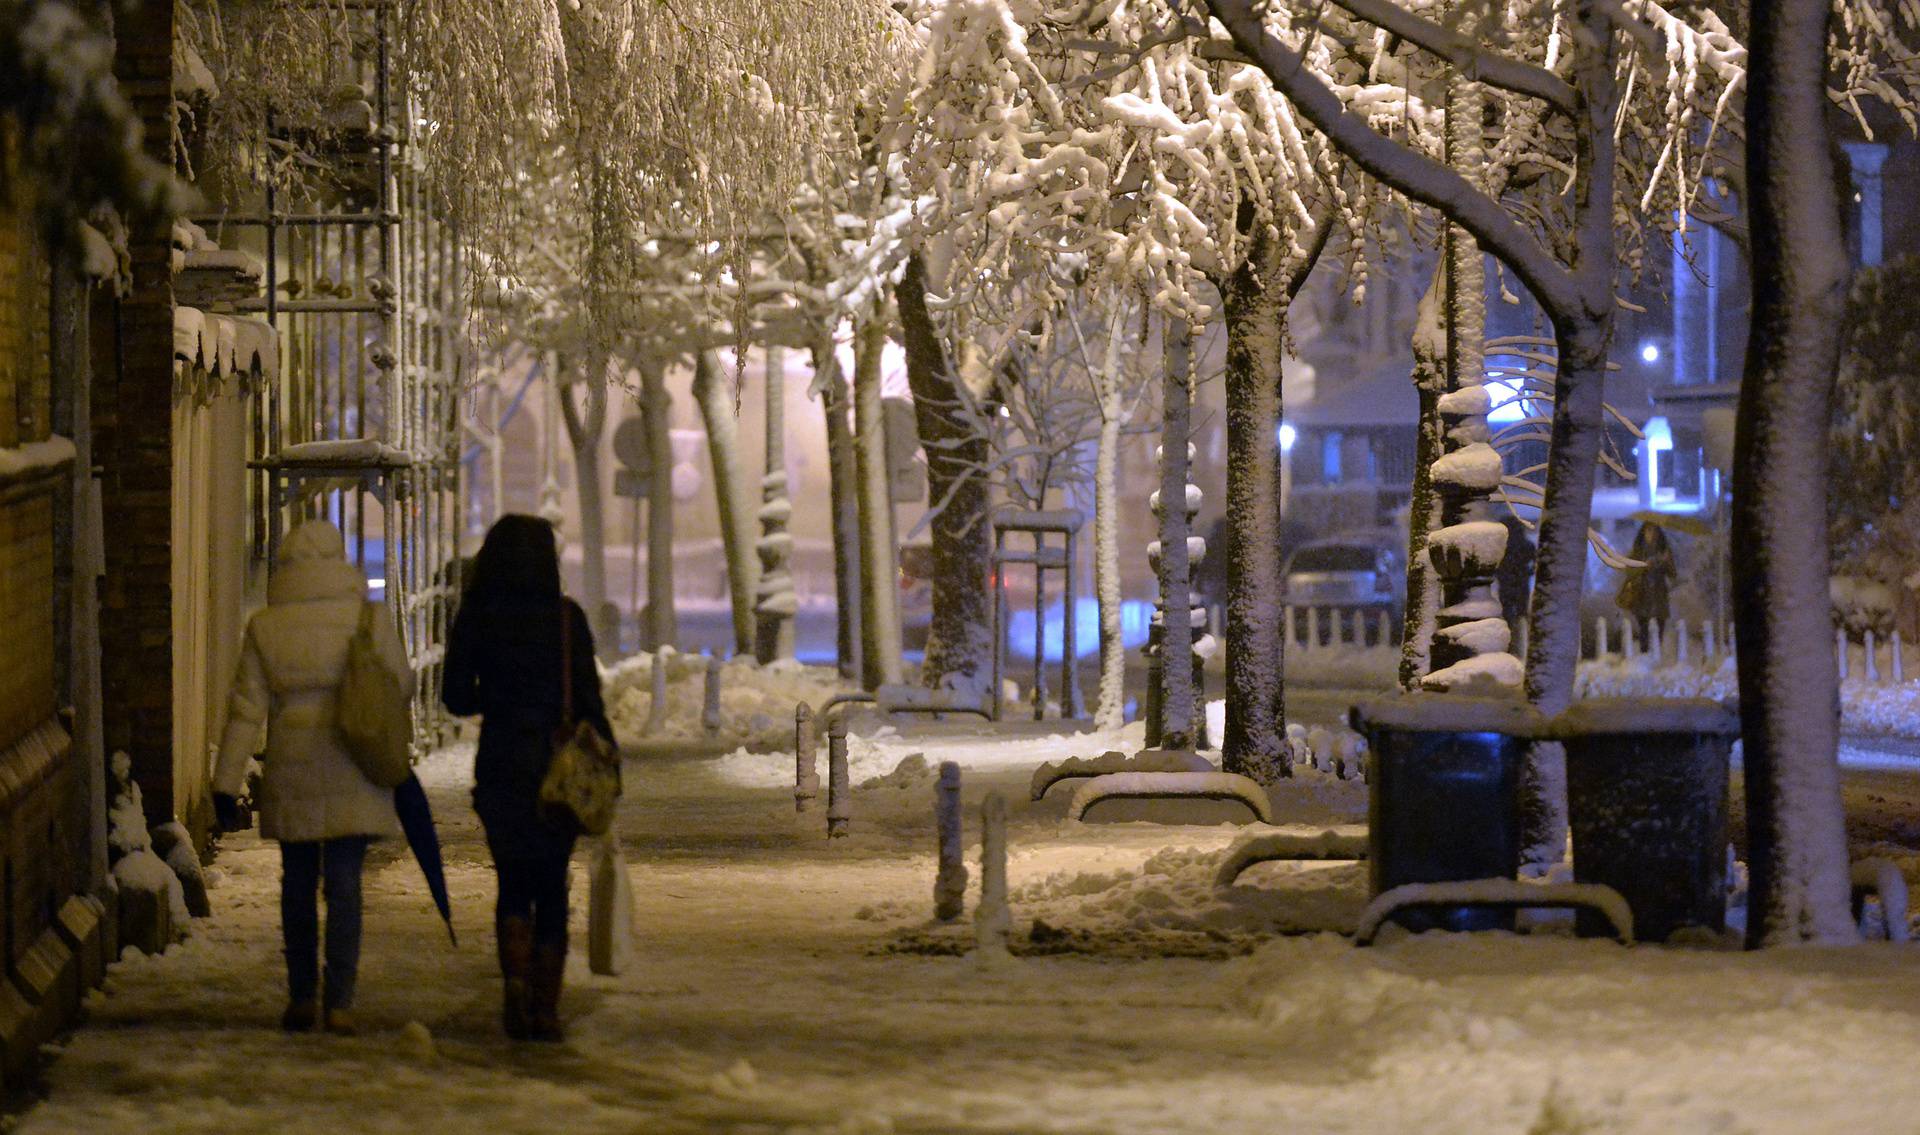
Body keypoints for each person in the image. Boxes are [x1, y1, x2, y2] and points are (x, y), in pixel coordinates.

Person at [212, 520, 412, 1036]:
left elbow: (244, 712)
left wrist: (224, 784)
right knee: (345, 884)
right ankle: (340, 1000)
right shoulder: (367, 619)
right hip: (353, 761)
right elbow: (401, 684)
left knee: (297, 884)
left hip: (293, 766)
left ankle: (302, 994)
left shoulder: (265, 627)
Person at [440, 514, 613, 1042]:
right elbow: (588, 698)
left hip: (500, 765)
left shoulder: (478, 616)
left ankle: (514, 983)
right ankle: (546, 1008)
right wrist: (610, 759)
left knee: (512, 880)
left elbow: (454, 696)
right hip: (555, 769)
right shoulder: (566, 619)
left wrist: (495, 699)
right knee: (552, 885)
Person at [1615, 520, 1677, 638]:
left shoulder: (1664, 551)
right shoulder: (1637, 552)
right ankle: (1645, 653)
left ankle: (1657, 653)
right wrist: (1644, 565)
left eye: (1654, 531)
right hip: (1641, 595)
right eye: (1648, 530)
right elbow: (1629, 571)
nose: (1651, 534)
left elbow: (1673, 574)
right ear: (1643, 532)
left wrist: (1667, 562)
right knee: (1644, 629)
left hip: (1659, 595)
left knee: (1659, 628)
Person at [1495, 513, 1536, 646]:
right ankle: (1522, 639)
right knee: (1521, 612)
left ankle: (1509, 640)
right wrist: (1527, 571)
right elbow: (1534, 561)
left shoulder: (1501, 546)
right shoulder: (1526, 544)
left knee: (1507, 611)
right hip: (1521, 581)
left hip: (1506, 582)